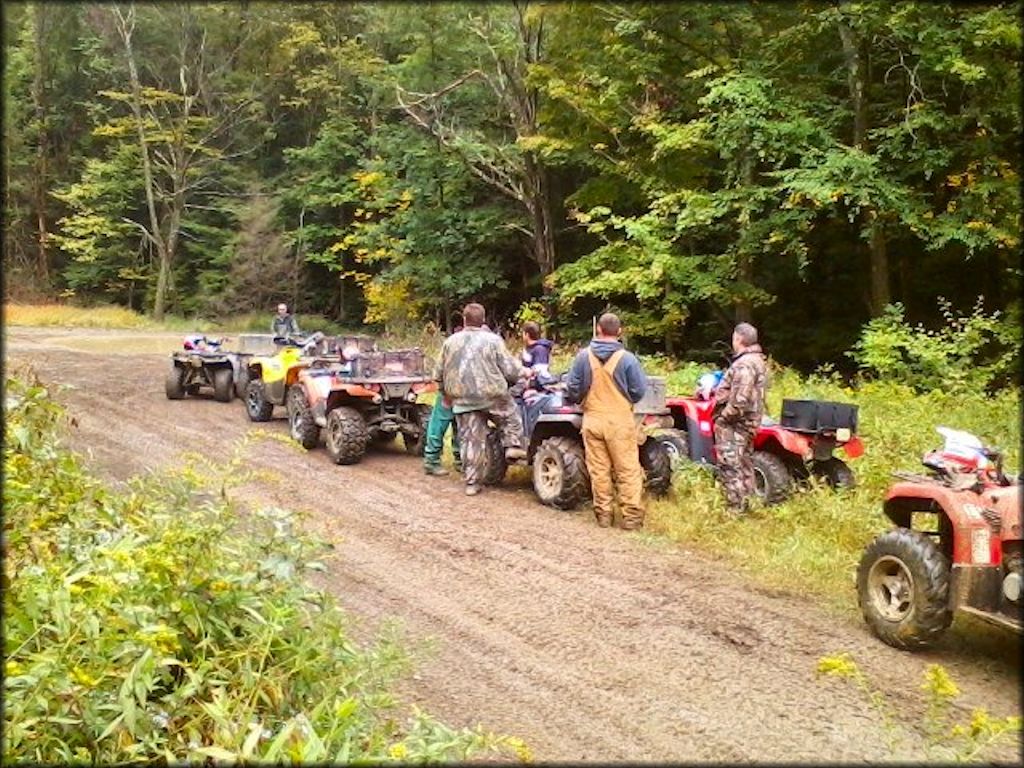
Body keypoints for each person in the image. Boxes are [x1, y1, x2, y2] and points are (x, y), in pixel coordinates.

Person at [565, 313, 649, 530]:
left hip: (592, 420)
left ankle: (604, 515)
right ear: (619, 332)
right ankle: (631, 518)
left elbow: (572, 389)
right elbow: (639, 391)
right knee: (627, 470)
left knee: (599, 471)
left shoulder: (583, 357)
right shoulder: (628, 359)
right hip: (620, 422)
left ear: (598, 330)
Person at [435, 303, 530, 496]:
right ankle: (512, 446)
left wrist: (445, 394)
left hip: (463, 399)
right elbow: (510, 369)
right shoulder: (493, 340)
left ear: (464, 320)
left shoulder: (450, 342)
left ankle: (472, 483)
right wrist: (523, 373)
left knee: (471, 441)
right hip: (493, 395)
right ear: (483, 320)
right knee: (511, 415)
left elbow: (438, 373)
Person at [713, 322, 768, 514]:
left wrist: (723, 417)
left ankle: (734, 510)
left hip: (736, 424)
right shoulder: (758, 360)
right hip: (749, 422)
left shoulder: (745, 363)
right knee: (745, 463)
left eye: (734, 338)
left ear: (739, 339)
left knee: (730, 465)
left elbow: (740, 398)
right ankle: (747, 505)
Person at [423, 327, 463, 477]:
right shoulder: (449, 346)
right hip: (448, 393)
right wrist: (443, 390)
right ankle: (431, 461)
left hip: (464, 395)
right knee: (438, 427)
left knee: (460, 427)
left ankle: (460, 460)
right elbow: (438, 372)